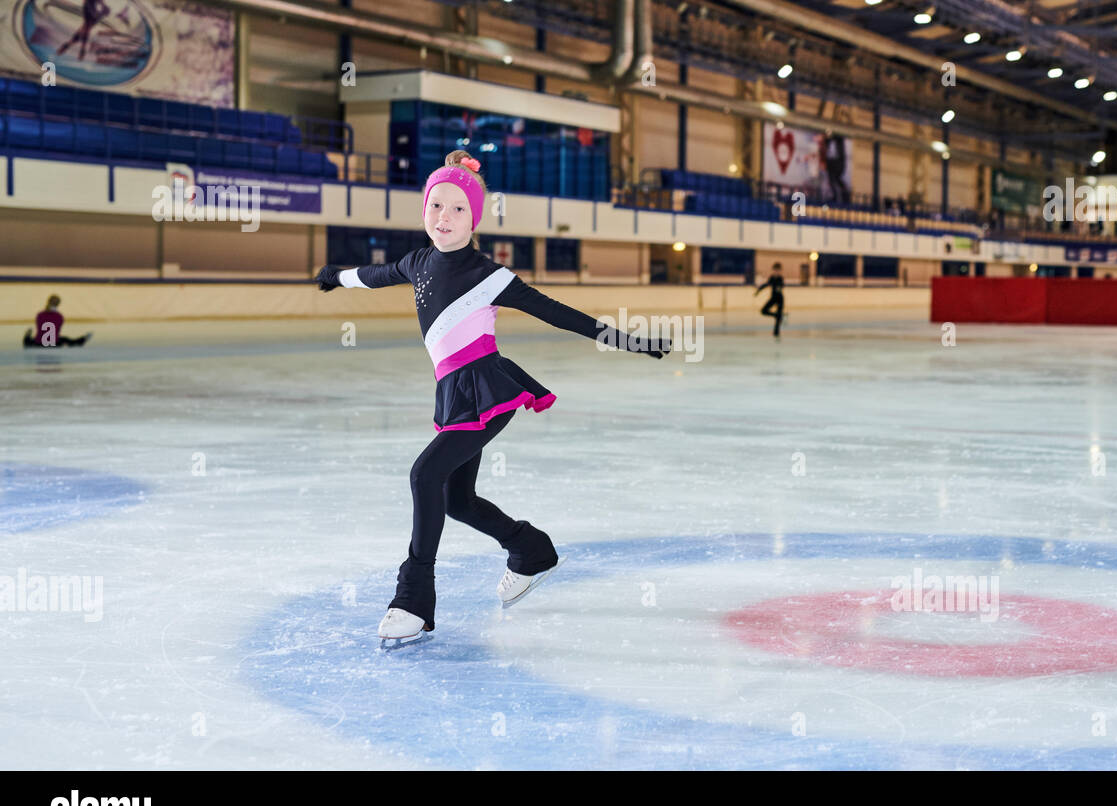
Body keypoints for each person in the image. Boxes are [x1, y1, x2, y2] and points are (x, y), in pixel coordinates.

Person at [315, 150, 670, 646]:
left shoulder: (489, 276)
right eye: (436, 205)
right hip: (453, 394)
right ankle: (531, 550)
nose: (444, 216)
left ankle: (413, 600)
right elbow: (376, 275)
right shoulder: (417, 262)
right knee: (456, 500)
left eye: (458, 208)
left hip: (486, 389)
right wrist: (337, 276)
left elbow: (558, 313)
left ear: (474, 219)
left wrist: (627, 340)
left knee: (424, 475)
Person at [23, 295, 92, 347]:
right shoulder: (59, 316)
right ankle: (81, 340)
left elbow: (40, 328)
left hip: (39, 344)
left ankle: (28, 335)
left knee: (29, 340)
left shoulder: (40, 315)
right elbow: (56, 330)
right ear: (58, 304)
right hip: (54, 344)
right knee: (65, 339)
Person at [754, 262, 787, 338]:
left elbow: (781, 286)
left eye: (778, 270)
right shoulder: (772, 277)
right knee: (763, 311)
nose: (776, 272)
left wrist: (779, 287)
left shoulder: (780, 278)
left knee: (778, 319)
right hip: (773, 298)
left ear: (780, 271)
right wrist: (758, 290)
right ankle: (777, 315)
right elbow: (766, 284)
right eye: (775, 270)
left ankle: (776, 333)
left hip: (780, 299)